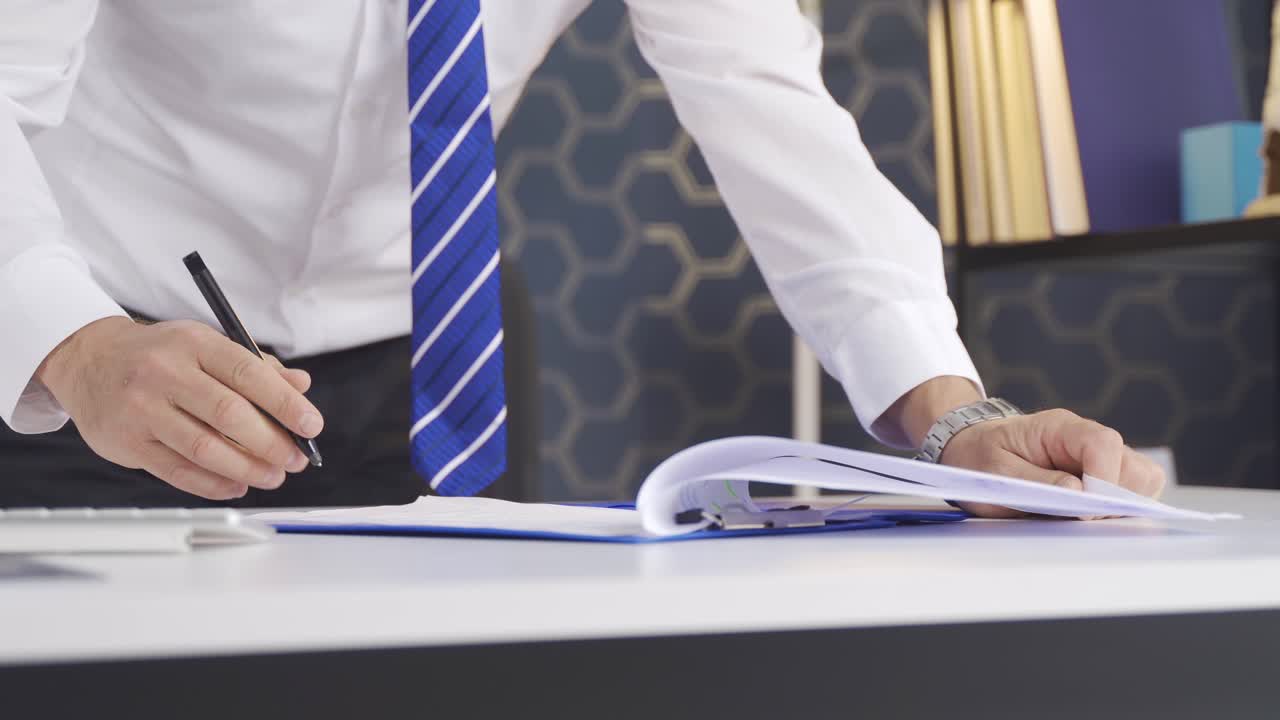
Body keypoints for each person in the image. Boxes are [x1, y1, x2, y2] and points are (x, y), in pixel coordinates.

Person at [0, 0, 1165, 513]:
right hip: (86, 362)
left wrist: (954, 424)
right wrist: (78, 345)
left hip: (418, 380)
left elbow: (772, 114)